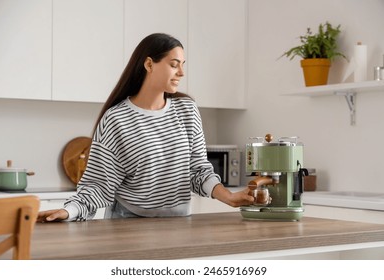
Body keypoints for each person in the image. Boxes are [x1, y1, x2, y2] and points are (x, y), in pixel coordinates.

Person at [37, 33, 254, 222]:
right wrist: (69, 211)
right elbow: (98, 184)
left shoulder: (187, 109)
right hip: (127, 223)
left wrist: (229, 197)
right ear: (149, 64)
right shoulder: (117, 118)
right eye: (173, 64)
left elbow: (197, 170)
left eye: (183, 64)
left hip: (179, 222)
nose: (181, 73)